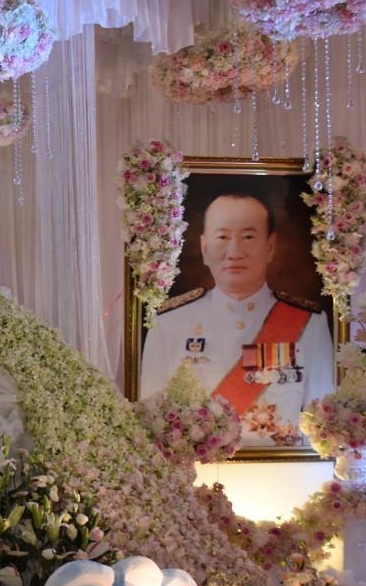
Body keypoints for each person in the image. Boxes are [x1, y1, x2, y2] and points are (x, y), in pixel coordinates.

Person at [140, 184, 334, 447]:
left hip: (282, 468)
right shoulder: (168, 323)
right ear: (205, 248)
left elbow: (322, 431)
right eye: (222, 237)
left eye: (248, 237)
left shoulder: (310, 323)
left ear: (270, 247)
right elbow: (151, 425)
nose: (234, 252)